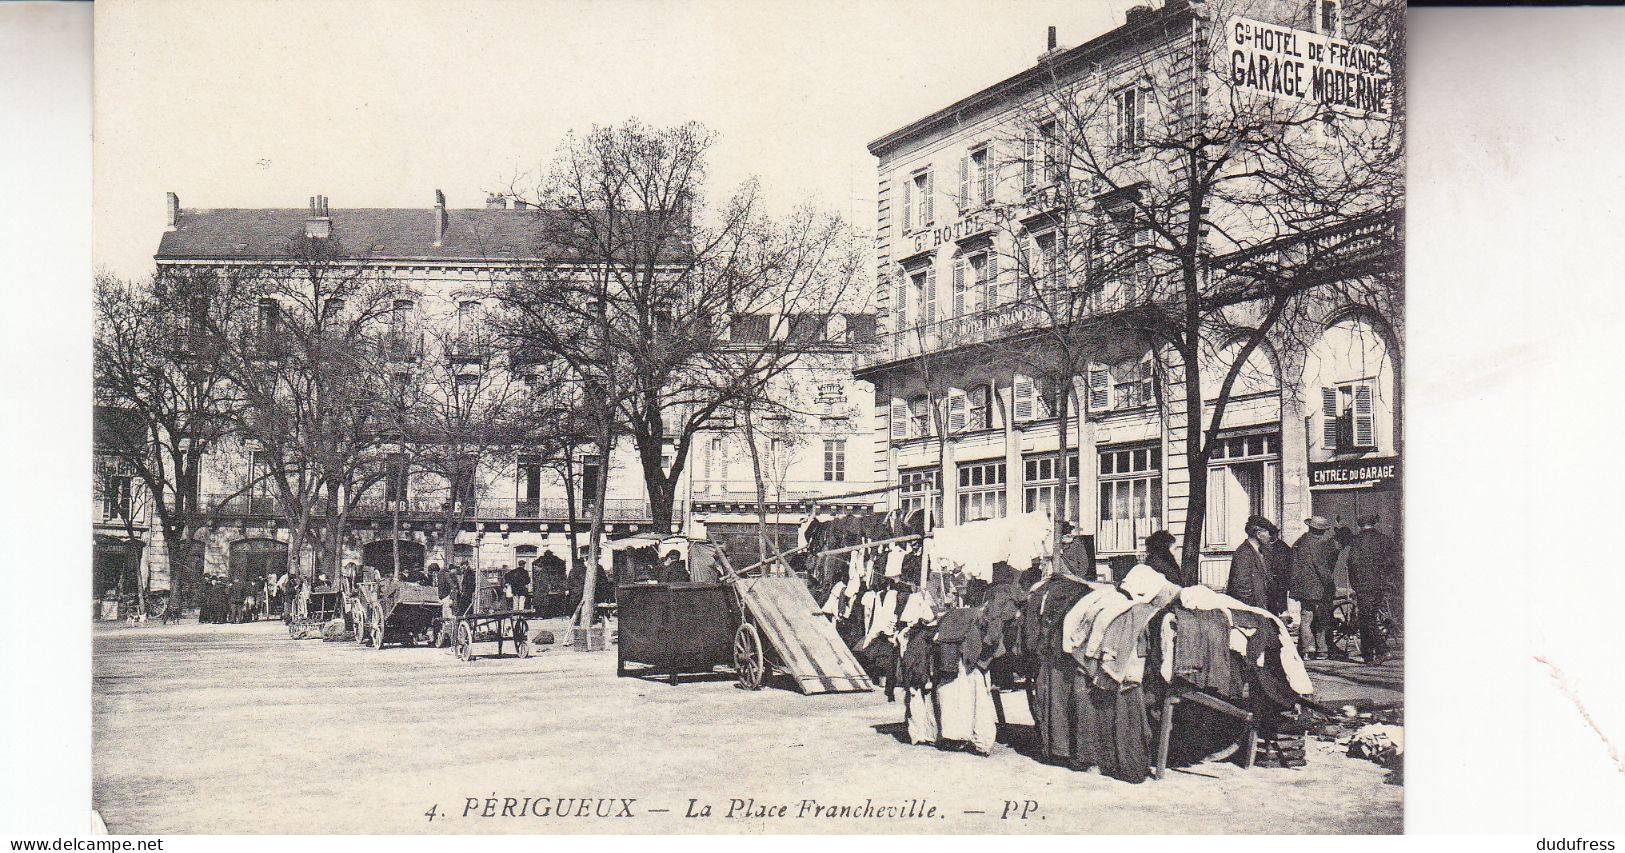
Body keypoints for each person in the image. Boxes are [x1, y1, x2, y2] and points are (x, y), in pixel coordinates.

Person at [1345, 513, 1400, 664]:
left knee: (1366, 619)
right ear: (1374, 523)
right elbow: (1395, 562)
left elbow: (1352, 563)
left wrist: (1355, 584)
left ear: (1360, 525)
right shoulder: (1384, 539)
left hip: (1364, 586)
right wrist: (1386, 578)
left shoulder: (1357, 541)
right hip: (1381, 585)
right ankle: (1369, 657)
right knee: (1369, 617)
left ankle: (1380, 651)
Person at [1288, 515, 1341, 659]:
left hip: (1302, 589)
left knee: (1306, 618)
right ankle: (1322, 650)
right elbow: (1321, 567)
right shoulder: (1317, 544)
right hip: (1318, 588)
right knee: (1322, 618)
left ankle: (1307, 649)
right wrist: (1330, 584)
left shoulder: (1299, 542)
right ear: (1320, 530)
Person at [1224, 515, 1278, 611]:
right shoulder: (1243, 553)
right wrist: (1252, 610)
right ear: (1258, 534)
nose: (1270, 535)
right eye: (1267, 532)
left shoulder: (1262, 551)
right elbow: (1242, 588)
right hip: (1251, 610)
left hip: (1263, 608)